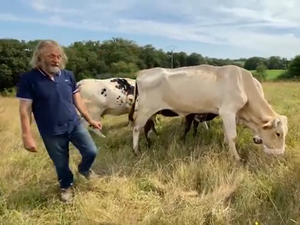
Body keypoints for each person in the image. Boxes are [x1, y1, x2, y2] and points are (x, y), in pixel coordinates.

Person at [16, 40, 102, 203]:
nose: (56, 59)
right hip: (51, 131)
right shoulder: (29, 79)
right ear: (39, 57)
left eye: (59, 56)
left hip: (74, 124)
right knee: (61, 163)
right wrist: (27, 135)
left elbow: (77, 98)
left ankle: (84, 170)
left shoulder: (68, 75)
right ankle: (66, 186)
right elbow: (25, 109)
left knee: (91, 151)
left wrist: (90, 119)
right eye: (51, 56)